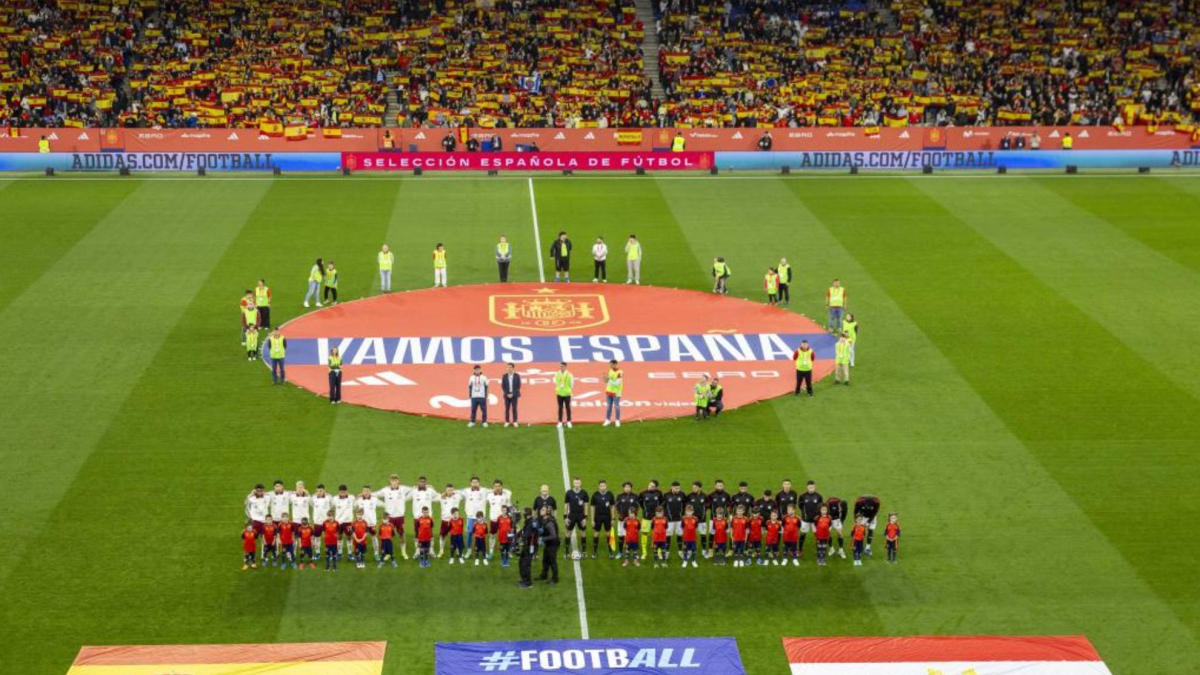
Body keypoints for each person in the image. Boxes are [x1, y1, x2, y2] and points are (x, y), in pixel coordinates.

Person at [374, 475, 411, 560]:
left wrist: (427, 486)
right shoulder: (385, 490)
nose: (394, 482)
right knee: (387, 536)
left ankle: (403, 552)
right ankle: (387, 553)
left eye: (396, 480)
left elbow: (414, 489)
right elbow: (376, 494)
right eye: (392, 480)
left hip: (400, 517)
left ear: (398, 481)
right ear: (390, 481)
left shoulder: (403, 488)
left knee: (401, 534)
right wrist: (365, 494)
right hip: (389, 517)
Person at [563, 477, 589, 559]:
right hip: (571, 516)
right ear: (573, 483)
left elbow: (586, 505)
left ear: (580, 483)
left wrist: (585, 517)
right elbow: (566, 505)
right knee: (568, 532)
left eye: (578, 483)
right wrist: (565, 517)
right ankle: (566, 551)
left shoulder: (584, 493)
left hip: (581, 516)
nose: (577, 484)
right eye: (575, 483)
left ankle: (584, 551)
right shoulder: (569, 493)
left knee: (583, 532)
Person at [486, 479, 513, 557]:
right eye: (495, 486)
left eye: (499, 486)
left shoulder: (506, 494)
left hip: (504, 519)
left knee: (507, 535)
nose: (497, 488)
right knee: (492, 535)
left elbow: (509, 503)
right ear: (493, 487)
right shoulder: (489, 495)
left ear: (502, 487)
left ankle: (508, 551)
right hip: (494, 519)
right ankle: (491, 550)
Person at [589, 480, 616, 559]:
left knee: (608, 534)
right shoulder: (595, 495)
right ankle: (594, 552)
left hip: (607, 517)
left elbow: (612, 507)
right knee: (596, 534)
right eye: (601, 486)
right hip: (598, 517)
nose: (602, 487)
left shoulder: (610, 494)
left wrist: (613, 518)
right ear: (598, 486)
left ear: (606, 486)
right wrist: (592, 520)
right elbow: (592, 507)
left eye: (604, 486)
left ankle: (610, 552)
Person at [638, 480, 663, 559]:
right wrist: (645, 511)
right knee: (644, 534)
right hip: (646, 518)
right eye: (650, 485)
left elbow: (661, 504)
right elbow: (640, 503)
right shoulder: (643, 493)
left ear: (655, 487)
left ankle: (658, 552)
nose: (650, 487)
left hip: (657, 519)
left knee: (658, 535)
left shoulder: (659, 493)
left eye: (652, 486)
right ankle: (644, 552)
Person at [517, 507, 540, 587]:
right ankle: (524, 578)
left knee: (526, 564)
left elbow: (527, 535)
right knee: (521, 562)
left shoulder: (531, 523)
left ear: (526, 514)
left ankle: (528, 582)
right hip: (527, 545)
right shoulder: (529, 521)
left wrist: (521, 538)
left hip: (530, 546)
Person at [799, 480, 823, 555]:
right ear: (807, 487)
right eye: (809, 487)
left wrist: (817, 516)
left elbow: (821, 508)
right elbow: (800, 506)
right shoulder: (802, 496)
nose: (811, 488)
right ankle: (799, 550)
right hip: (805, 519)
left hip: (815, 520)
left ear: (814, 487)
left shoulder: (819, 496)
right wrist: (804, 514)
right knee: (803, 534)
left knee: (818, 535)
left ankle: (819, 550)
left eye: (812, 487)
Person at [437, 484, 461, 557]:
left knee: (456, 536)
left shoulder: (457, 497)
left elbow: (464, 492)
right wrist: (442, 494)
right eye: (448, 490)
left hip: (454, 521)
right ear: (445, 490)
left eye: (451, 490)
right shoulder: (441, 497)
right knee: (442, 536)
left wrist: (455, 492)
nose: (450, 492)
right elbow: (434, 496)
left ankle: (457, 549)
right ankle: (441, 550)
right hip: (445, 520)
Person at [684, 481, 709, 553]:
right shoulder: (689, 496)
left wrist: (703, 512)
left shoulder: (704, 496)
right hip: (691, 520)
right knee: (690, 535)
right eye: (693, 487)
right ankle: (689, 550)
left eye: (695, 487)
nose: (693, 489)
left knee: (703, 535)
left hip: (702, 520)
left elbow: (708, 505)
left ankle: (704, 551)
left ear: (700, 488)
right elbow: (686, 506)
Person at [538, 506, 560, 583]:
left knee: (552, 560)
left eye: (543, 509)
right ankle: (544, 575)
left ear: (547, 512)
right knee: (545, 560)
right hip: (549, 543)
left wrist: (542, 539)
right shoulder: (544, 520)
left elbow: (553, 536)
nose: (540, 510)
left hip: (553, 544)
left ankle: (555, 578)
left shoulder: (549, 523)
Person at [603, 360, 623, 427]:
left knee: (616, 406)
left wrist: (609, 379)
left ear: (616, 364)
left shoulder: (620, 372)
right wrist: (604, 377)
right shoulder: (610, 370)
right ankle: (607, 420)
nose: (610, 366)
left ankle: (617, 420)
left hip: (616, 392)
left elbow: (616, 384)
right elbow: (606, 382)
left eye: (611, 365)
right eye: (610, 365)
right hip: (609, 391)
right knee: (609, 406)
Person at [554, 362, 573, 428]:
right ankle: (560, 421)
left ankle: (569, 421)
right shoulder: (557, 374)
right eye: (560, 366)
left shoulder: (569, 374)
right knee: (560, 407)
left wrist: (568, 389)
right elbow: (555, 382)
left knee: (568, 407)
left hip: (567, 393)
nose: (560, 367)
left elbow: (572, 384)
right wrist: (559, 388)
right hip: (559, 393)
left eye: (562, 366)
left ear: (565, 367)